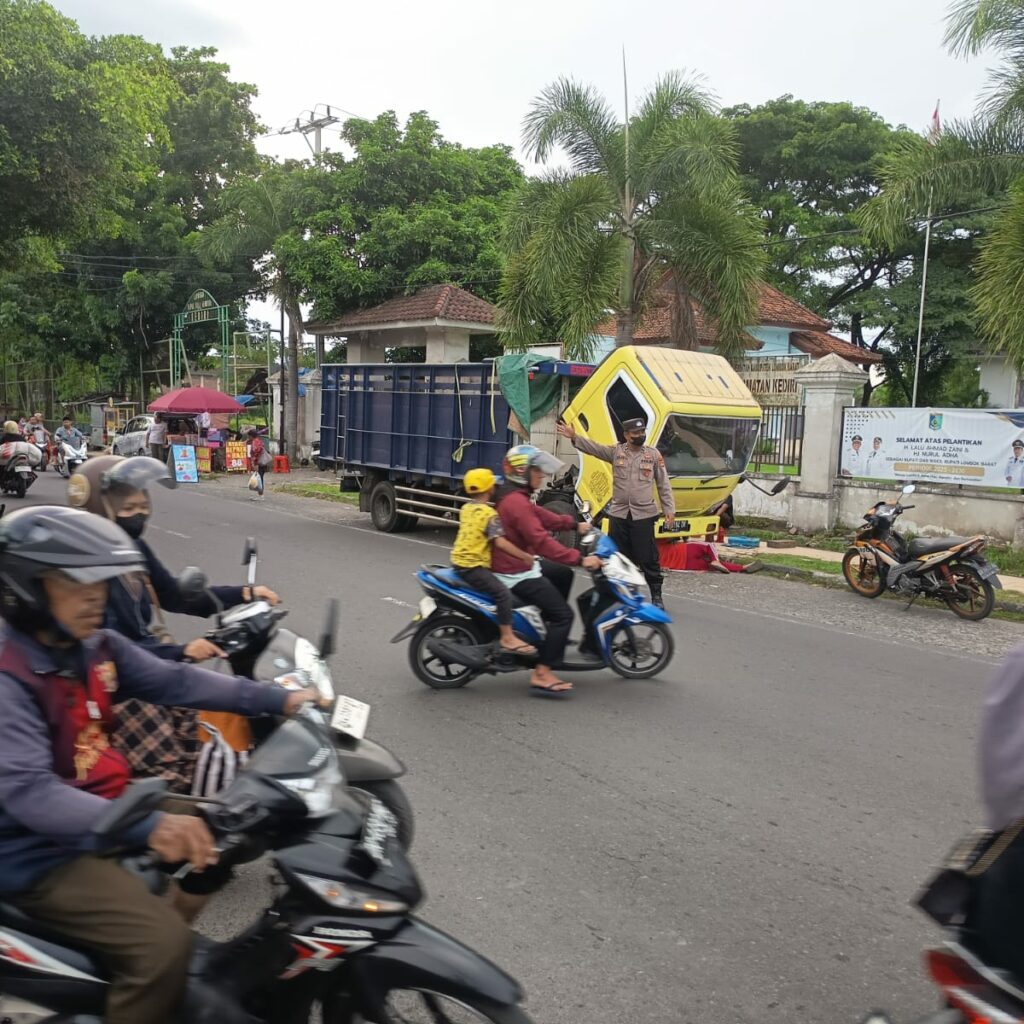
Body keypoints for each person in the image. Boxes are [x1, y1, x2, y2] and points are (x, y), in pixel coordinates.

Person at [0, 505, 320, 1024]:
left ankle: (171, 953)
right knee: (160, 951)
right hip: (36, 852)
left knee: (234, 825)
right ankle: (157, 955)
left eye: (100, 584)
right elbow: (31, 794)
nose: (95, 597)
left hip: (104, 803)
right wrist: (155, 826)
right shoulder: (10, 675)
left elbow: (178, 682)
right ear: (28, 587)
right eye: (75, 584)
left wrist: (274, 699)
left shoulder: (93, 646)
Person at [67, 455, 280, 795]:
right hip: (119, 690)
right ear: (99, 508)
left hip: (152, 667)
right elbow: (109, 650)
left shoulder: (131, 548)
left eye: (142, 503)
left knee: (206, 730)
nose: (140, 513)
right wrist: (181, 651)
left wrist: (245, 593)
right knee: (175, 773)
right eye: (128, 506)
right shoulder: (84, 571)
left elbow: (176, 595)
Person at [494, 444, 600, 697]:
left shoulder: (516, 497)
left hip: (518, 564)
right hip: (514, 572)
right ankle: (542, 672)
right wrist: (579, 559)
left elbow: (542, 516)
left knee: (562, 574)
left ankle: (544, 631)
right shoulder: (516, 503)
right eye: (537, 471)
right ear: (523, 472)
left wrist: (574, 524)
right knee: (565, 615)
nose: (542, 476)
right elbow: (542, 541)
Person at [557, 416, 676, 608]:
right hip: (619, 514)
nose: (640, 435)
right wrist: (575, 437)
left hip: (643, 515)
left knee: (648, 557)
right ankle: (623, 594)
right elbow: (594, 448)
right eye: (636, 433)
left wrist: (669, 509)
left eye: (642, 432)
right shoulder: (616, 452)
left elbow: (663, 484)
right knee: (619, 556)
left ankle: (656, 596)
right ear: (626, 435)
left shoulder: (653, 455)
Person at [451, 467, 537, 656]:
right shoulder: (490, 515)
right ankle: (507, 636)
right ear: (490, 489)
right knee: (503, 594)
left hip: (458, 563)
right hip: (473, 567)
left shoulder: (466, 509)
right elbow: (501, 543)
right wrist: (525, 556)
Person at [248, 426, 271, 500]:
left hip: (259, 463)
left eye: (249, 436)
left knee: (259, 478)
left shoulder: (255, 442)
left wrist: (255, 463)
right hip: (262, 462)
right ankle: (260, 494)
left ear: (251, 436)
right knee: (260, 478)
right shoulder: (258, 440)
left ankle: (261, 495)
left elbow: (256, 452)